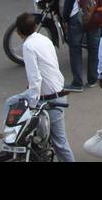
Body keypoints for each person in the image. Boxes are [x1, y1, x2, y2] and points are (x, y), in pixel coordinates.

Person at [5, 12, 74, 162]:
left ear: (18, 32)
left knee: (60, 143)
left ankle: (8, 135)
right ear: (35, 27)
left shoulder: (28, 46)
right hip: (56, 91)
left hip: (48, 97)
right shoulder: (43, 39)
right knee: (55, 141)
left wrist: (31, 103)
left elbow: (35, 78)